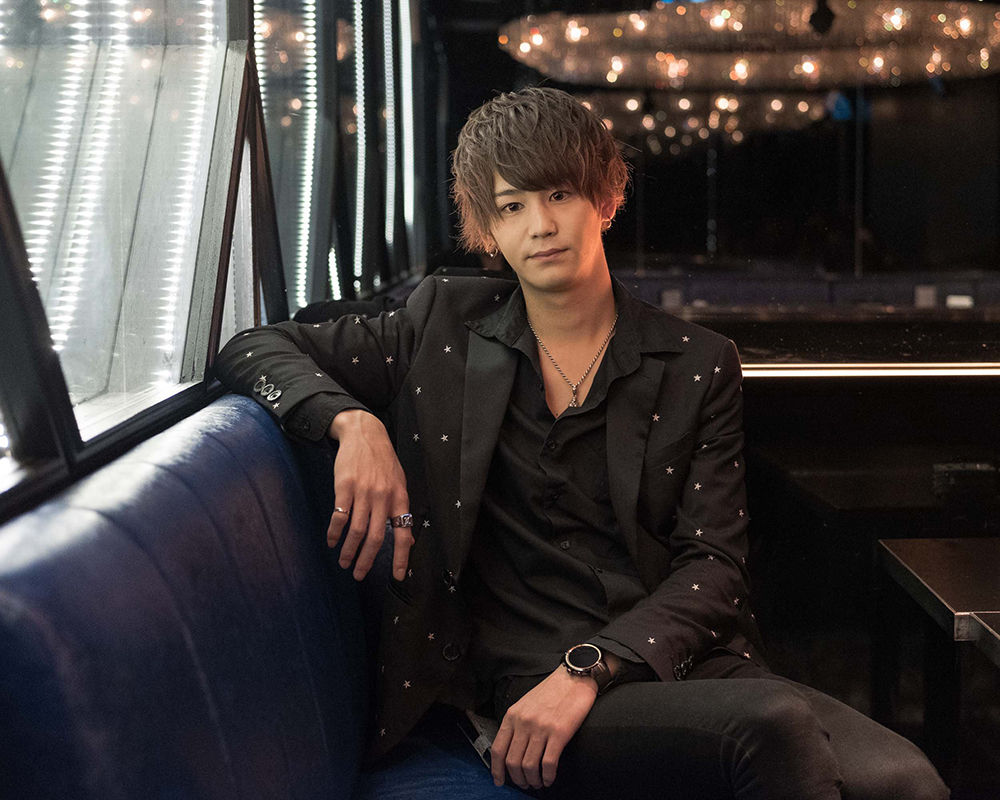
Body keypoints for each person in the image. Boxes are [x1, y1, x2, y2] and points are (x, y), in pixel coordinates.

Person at [214, 86, 948, 799]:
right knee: (772, 728)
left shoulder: (695, 363)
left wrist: (591, 667)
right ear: (488, 228)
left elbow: (715, 565)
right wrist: (354, 423)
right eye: (512, 206)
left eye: (559, 194)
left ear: (606, 198)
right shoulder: (442, 326)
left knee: (906, 780)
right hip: (523, 683)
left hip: (666, 662)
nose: (540, 225)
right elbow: (251, 347)